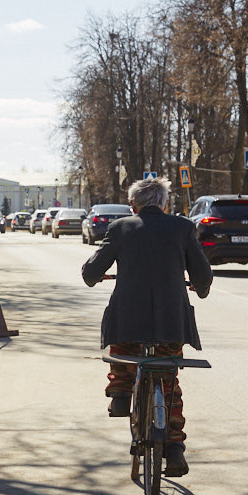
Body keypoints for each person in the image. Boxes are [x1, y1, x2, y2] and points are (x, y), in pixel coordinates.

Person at [81, 177, 212, 477]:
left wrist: (92, 275)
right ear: (165, 204)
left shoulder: (120, 228)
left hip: (128, 321)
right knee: (168, 381)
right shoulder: (183, 228)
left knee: (125, 352)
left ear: (133, 205)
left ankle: (121, 393)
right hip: (171, 322)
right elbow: (203, 276)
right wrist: (200, 289)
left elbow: (91, 272)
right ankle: (175, 448)